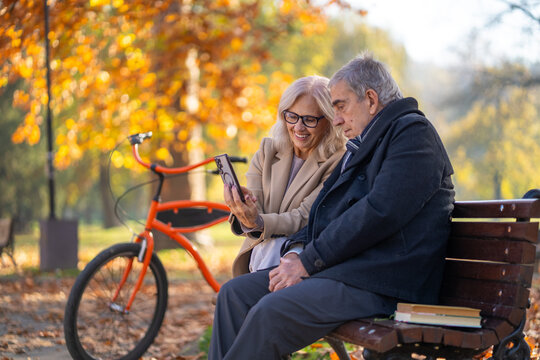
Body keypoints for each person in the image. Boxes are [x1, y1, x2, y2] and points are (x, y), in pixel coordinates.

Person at [209, 52, 455, 360]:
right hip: (349, 271)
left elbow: (379, 213)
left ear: (370, 99)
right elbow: (323, 210)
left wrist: (309, 262)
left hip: (385, 283)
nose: (336, 119)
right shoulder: (365, 144)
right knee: (235, 295)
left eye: (339, 106)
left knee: (272, 311)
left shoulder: (412, 135)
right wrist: (298, 252)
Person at [225, 75, 346, 277]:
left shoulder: (337, 161)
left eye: (309, 120)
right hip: (258, 258)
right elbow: (256, 206)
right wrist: (242, 209)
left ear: (329, 121)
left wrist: (259, 222)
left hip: (299, 263)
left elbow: (306, 217)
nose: (298, 127)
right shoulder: (268, 150)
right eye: (292, 116)